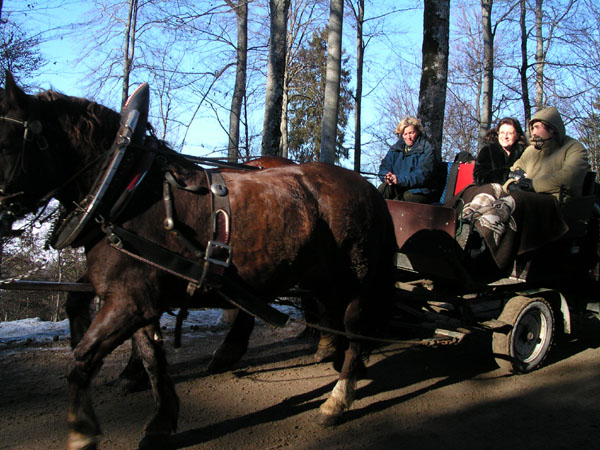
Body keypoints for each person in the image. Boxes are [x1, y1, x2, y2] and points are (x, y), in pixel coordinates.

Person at [503, 107, 589, 201]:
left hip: (555, 200)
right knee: (490, 192)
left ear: (551, 128)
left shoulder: (573, 147)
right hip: (526, 197)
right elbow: (516, 170)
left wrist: (532, 185)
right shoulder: (531, 150)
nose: (533, 133)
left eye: (537, 127)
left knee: (511, 203)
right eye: (532, 128)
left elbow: (570, 177)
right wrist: (511, 185)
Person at [377, 116, 438, 203]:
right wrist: (387, 176)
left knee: (398, 201)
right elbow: (384, 167)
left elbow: (423, 175)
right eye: (405, 134)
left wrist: (399, 179)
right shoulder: (395, 149)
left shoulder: (427, 149)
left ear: (418, 132)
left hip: (420, 191)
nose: (408, 137)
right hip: (398, 187)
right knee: (382, 190)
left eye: (411, 133)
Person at [473, 117, 527, 185]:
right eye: (502, 132)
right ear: (498, 134)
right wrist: (508, 175)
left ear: (517, 135)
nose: (505, 136)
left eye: (510, 133)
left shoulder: (525, 153)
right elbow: (479, 177)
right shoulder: (487, 151)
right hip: (491, 190)